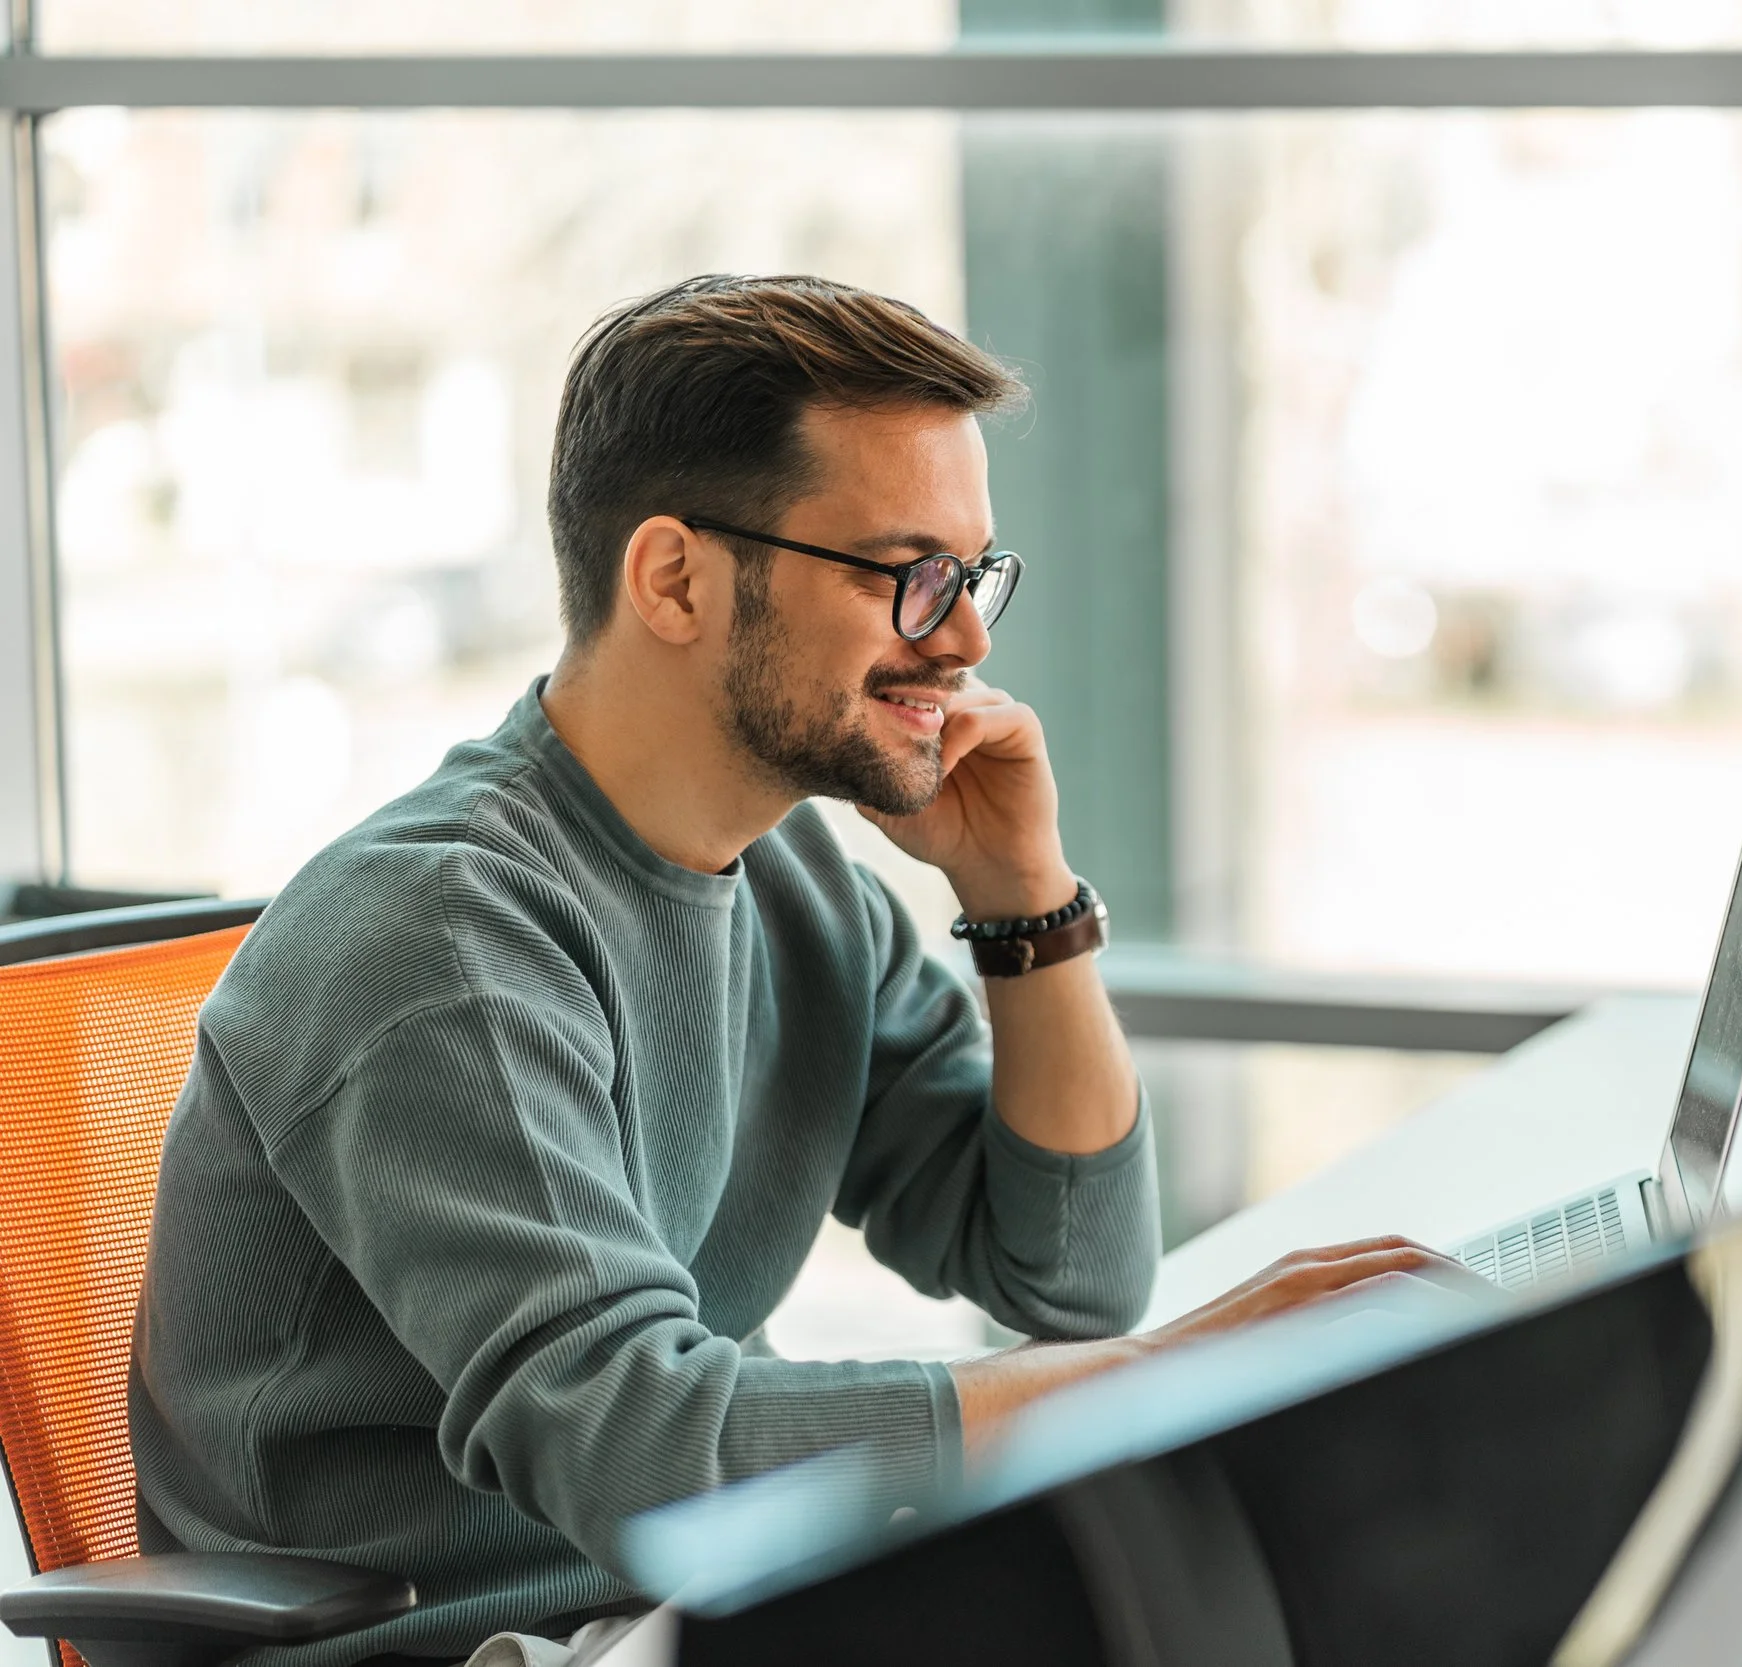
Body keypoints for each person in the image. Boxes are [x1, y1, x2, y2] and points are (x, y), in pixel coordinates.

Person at [130, 274, 1463, 1667]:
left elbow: (1071, 1275)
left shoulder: (791, 881)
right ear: (676, 578)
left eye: (973, 572)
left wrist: (1025, 900)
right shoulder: (443, 941)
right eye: (908, 573)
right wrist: (1176, 1373)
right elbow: (649, 1454)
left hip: (692, 1605)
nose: (965, 637)